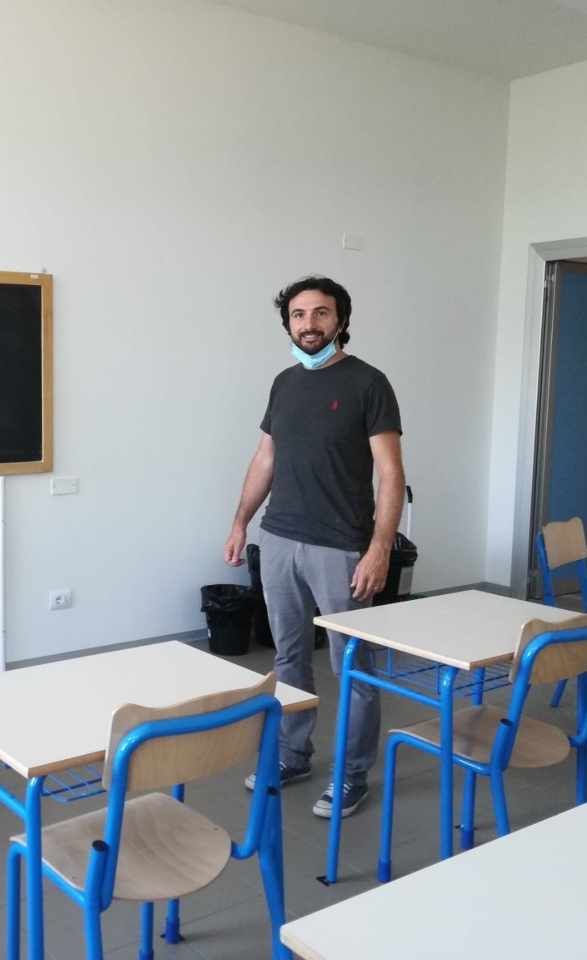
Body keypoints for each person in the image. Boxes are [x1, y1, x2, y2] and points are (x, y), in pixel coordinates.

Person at [224, 276, 404, 819]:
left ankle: (352, 774)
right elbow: (265, 459)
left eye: (321, 313)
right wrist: (240, 523)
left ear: (340, 320)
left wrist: (379, 549)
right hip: (279, 538)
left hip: (341, 547)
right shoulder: (284, 383)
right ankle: (292, 754)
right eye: (299, 315)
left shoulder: (369, 383)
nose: (309, 324)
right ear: (288, 324)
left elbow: (390, 475)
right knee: (288, 657)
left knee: (353, 665)